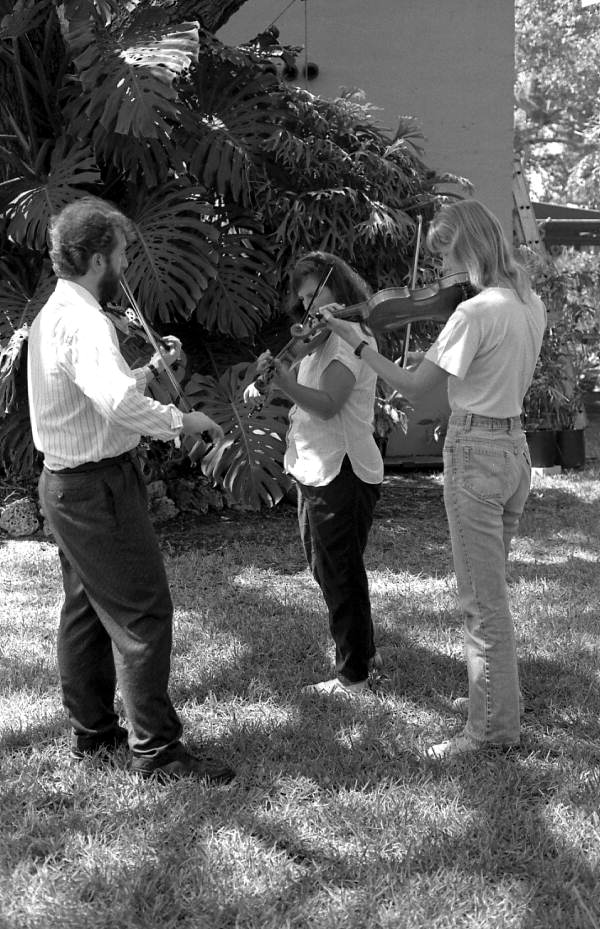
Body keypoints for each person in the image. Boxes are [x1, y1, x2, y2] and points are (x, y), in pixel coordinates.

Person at [321, 200, 546, 758]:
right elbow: (476, 380)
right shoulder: (529, 303)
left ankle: (490, 731)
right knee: (489, 598)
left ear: (467, 248)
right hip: (514, 450)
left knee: (480, 603)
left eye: (446, 256)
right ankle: (501, 717)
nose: (441, 274)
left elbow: (417, 389)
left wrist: (360, 347)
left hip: (476, 455)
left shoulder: (473, 314)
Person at [27, 196, 235, 783]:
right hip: (98, 489)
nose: (125, 265)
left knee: (86, 613)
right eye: (120, 253)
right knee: (143, 613)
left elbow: (102, 391)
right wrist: (180, 422)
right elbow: (116, 406)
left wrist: (149, 371)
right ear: (98, 256)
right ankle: (159, 753)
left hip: (66, 486)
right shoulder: (87, 321)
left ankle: (94, 736)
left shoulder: (52, 314)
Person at [244, 252, 384, 696]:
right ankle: (364, 650)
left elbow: (329, 404)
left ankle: (353, 675)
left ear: (337, 288)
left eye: (314, 294)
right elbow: (304, 389)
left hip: (342, 470)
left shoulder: (349, 340)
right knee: (330, 569)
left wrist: (284, 382)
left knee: (339, 571)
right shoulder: (321, 340)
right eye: (302, 299)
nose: (306, 308)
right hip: (316, 467)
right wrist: (264, 381)